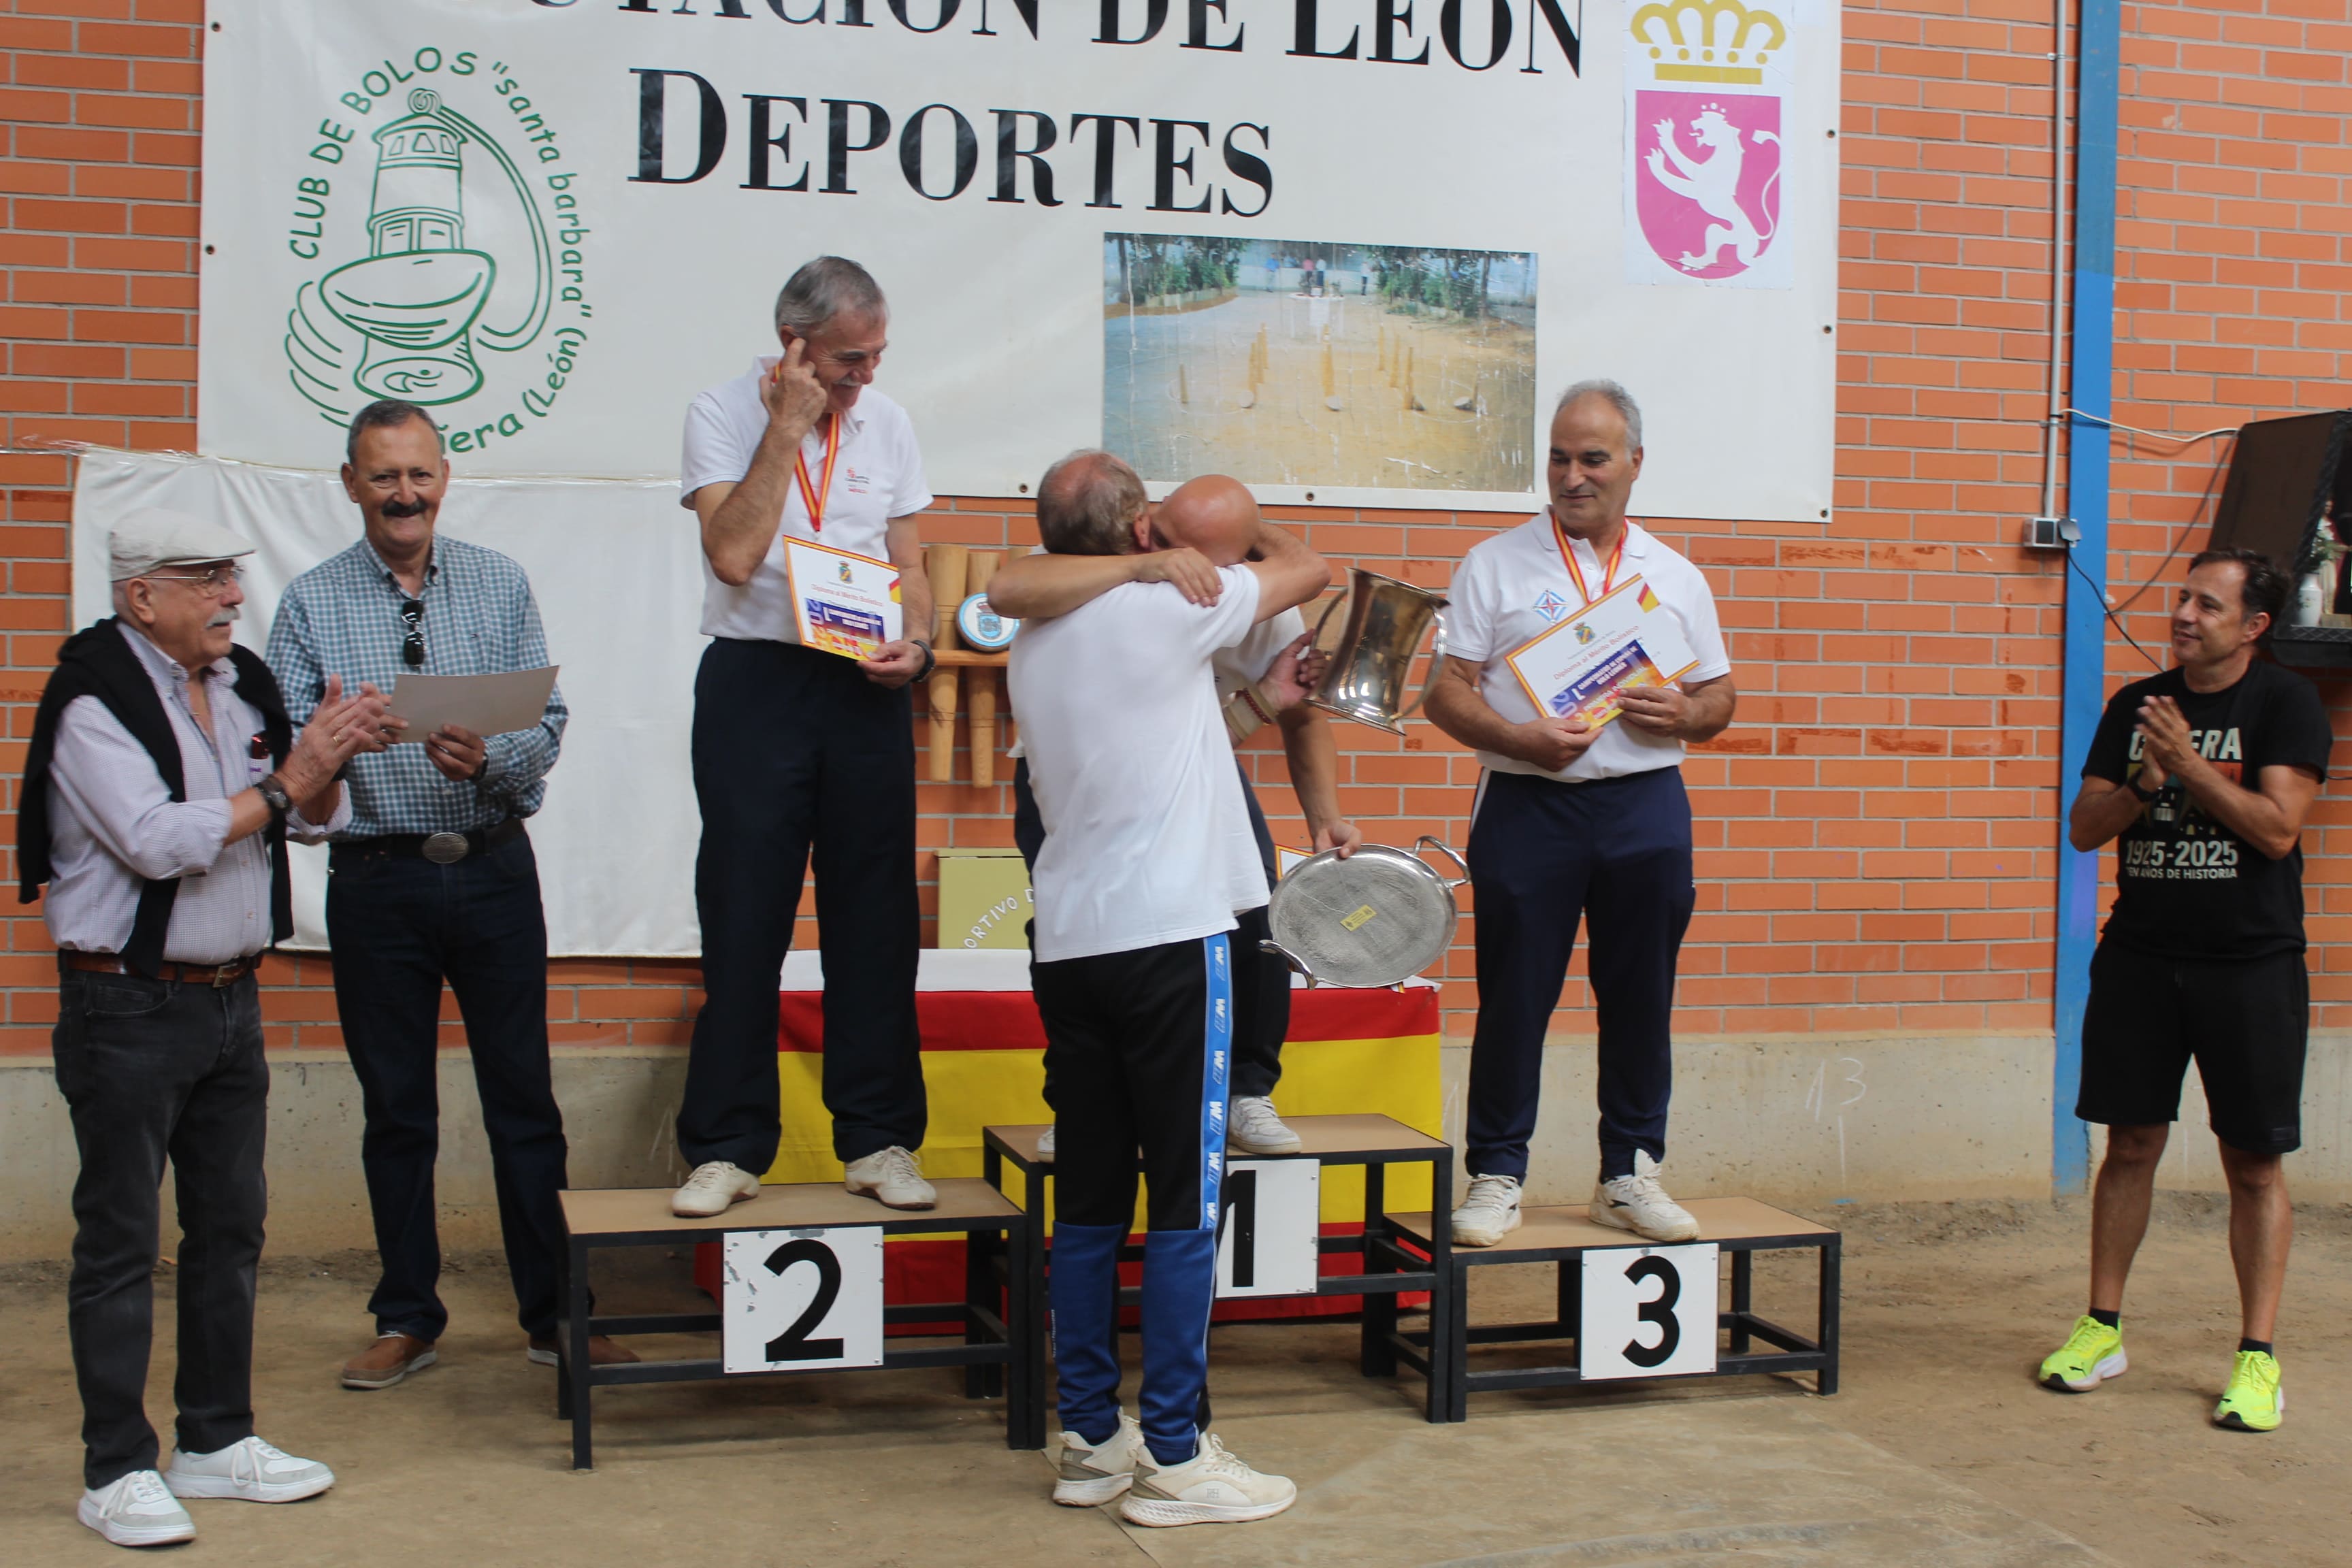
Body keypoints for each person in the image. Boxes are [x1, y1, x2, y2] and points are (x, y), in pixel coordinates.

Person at [20, 510, 374, 1545]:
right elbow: (155, 838)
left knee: (230, 1231)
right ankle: (115, 1468)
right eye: (209, 577)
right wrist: (285, 781)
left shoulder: (239, 683)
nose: (231, 594)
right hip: (125, 1005)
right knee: (121, 1240)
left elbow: (315, 820)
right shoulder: (93, 700)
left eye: (232, 575)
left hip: (231, 997)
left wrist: (330, 757)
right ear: (143, 597)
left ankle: (216, 1443)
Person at [267, 399, 622, 1391]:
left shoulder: (500, 583)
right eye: (383, 477)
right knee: (397, 1111)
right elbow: (295, 762)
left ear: (444, 476)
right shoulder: (309, 601)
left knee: (525, 1103)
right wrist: (331, 749)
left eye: (418, 474)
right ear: (351, 485)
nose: (404, 494)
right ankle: (408, 1316)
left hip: (495, 866)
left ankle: (559, 1318)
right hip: (377, 881)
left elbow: (545, 723)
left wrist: (487, 758)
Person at [1013, 450, 1328, 1526]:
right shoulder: (1171, 608)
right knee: (1188, 1202)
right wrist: (1227, 543)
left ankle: (1092, 1440)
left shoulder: (1039, 637)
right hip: (1169, 944)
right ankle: (1180, 1458)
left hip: (1072, 946)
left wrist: (1256, 700)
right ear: (1142, 528)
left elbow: (1157, 746)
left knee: (1094, 1199)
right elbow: (1312, 569)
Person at [1425, 380, 1736, 1247]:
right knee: (1514, 997)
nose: (1572, 475)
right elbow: (1443, 695)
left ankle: (1630, 1172)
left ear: (1634, 463)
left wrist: (1689, 716)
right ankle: (1496, 1172)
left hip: (1645, 806)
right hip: (1530, 806)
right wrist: (1519, 739)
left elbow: (1719, 695)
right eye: (1559, 457)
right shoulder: (1496, 564)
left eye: (1593, 458)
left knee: (1642, 994)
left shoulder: (1673, 577)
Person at [666, 255, 940, 1220]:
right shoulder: (721, 412)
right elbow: (734, 553)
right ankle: (728, 1145)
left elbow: (912, 564)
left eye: (874, 357)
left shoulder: (890, 422)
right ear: (795, 345)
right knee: (745, 912)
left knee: (876, 919)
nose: (862, 377)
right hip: (758, 682)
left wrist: (919, 640)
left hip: (863, 684)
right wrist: (788, 425)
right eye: (846, 360)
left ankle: (879, 1139)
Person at [990, 473, 1362, 1158]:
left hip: (1199, 761)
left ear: (1236, 561)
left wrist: (1326, 816)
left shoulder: (1258, 600)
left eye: (1189, 549)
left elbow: (1300, 716)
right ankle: (1078, 1098)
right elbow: (1006, 589)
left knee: (1256, 914)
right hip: (1074, 768)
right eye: (1158, 534)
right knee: (1071, 934)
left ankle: (1247, 1089)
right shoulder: (1107, 574)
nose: (1166, 555)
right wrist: (1148, 561)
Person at [2040, 549, 2326, 1433]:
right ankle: (2101, 1327)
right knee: (2129, 1143)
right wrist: (2143, 780)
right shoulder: (2138, 707)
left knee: (2252, 1161)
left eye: (2209, 603)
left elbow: (2278, 830)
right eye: (2184, 597)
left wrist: (2193, 769)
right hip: (2141, 959)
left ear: (2253, 627)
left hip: (2251, 964)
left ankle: (2256, 1361)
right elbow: (2086, 828)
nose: (2186, 613)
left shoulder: (2285, 704)